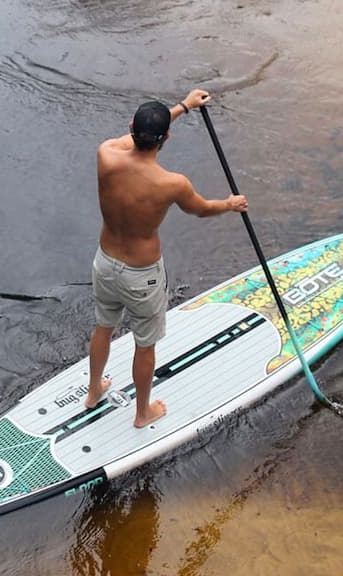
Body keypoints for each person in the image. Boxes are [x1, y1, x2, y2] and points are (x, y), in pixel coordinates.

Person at [86, 89, 248, 427]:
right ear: (167, 139)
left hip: (104, 262)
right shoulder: (171, 183)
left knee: (104, 326)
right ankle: (143, 414)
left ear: (131, 127)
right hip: (140, 275)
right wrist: (230, 205)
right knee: (145, 345)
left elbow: (135, 138)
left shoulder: (106, 154)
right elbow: (202, 211)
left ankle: (93, 392)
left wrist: (184, 107)